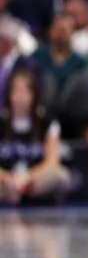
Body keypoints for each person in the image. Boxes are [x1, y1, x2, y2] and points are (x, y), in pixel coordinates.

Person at [0, 69, 71, 204]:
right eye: (16, 91)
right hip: (6, 181)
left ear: (34, 95)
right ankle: (13, 194)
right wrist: (7, 178)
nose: (21, 97)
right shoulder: (1, 123)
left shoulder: (48, 122)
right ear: (9, 95)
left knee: (61, 176)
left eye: (25, 92)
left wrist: (27, 177)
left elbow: (52, 160)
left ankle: (23, 195)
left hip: (35, 181)